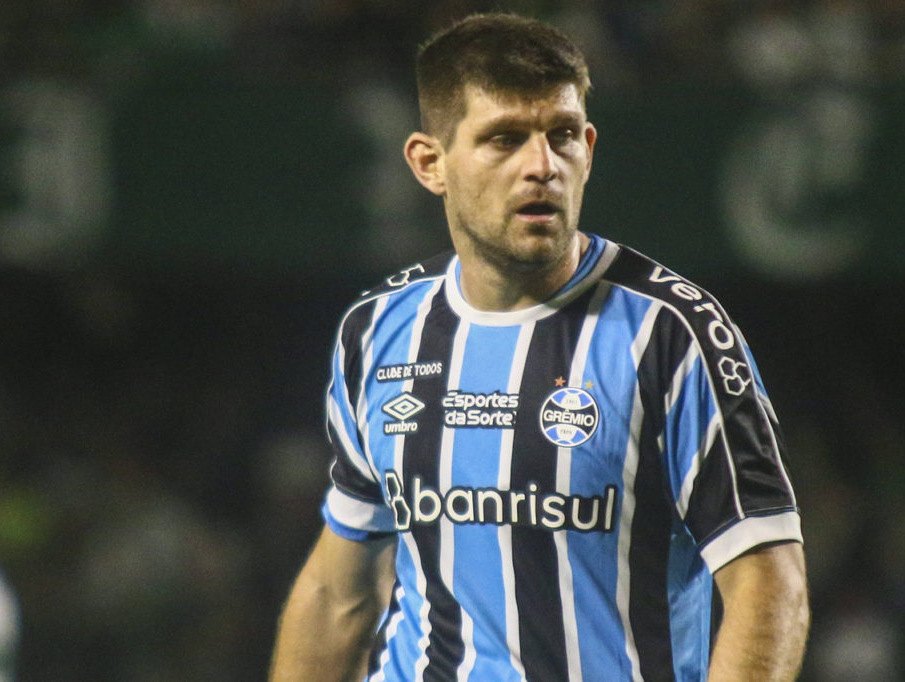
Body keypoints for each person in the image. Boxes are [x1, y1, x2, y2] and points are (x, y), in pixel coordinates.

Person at [270, 12, 809, 682]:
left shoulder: (673, 335)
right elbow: (337, 594)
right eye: (505, 139)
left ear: (589, 145)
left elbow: (768, 584)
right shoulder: (379, 329)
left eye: (561, 136)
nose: (542, 167)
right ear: (429, 163)